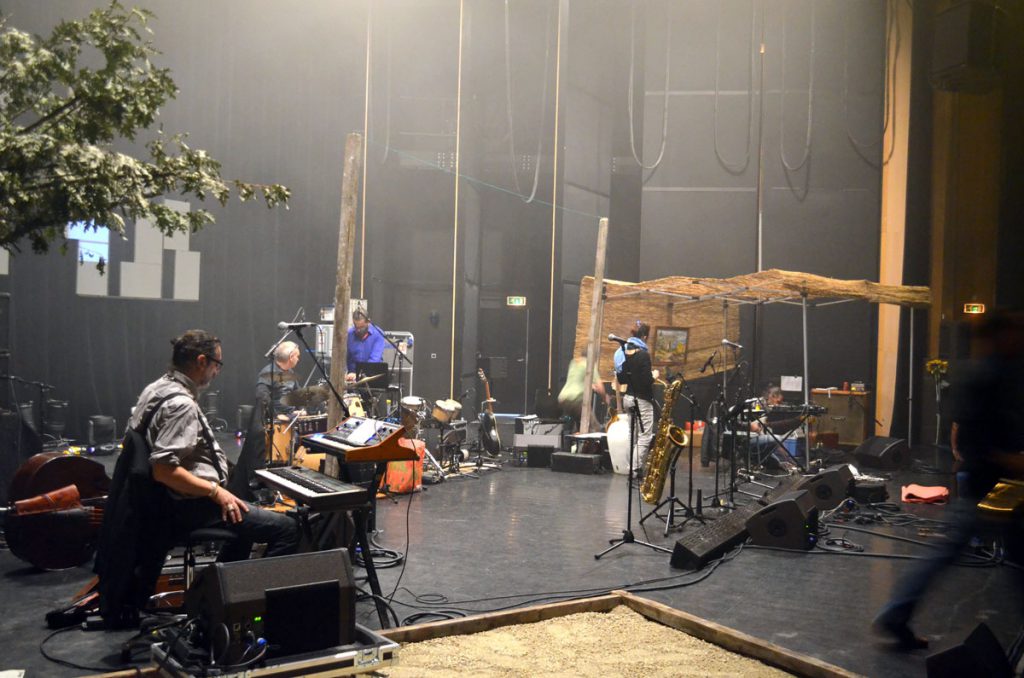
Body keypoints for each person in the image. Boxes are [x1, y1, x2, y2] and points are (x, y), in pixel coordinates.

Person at [873, 309, 1024, 649]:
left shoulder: (999, 372)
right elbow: (972, 436)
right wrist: (1009, 460)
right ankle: (895, 614)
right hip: (988, 485)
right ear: (999, 336)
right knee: (945, 554)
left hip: (999, 486)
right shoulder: (984, 376)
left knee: (976, 555)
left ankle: (895, 615)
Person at [132, 329, 299, 561]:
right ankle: (253, 593)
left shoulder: (156, 388)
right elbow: (164, 469)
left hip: (169, 502)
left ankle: (222, 590)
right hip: (191, 507)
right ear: (202, 361)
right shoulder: (181, 404)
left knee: (247, 523)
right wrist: (215, 491)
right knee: (288, 528)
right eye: (217, 364)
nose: (217, 372)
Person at [614, 322, 655, 476]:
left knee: (633, 434)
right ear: (644, 337)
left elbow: (623, 380)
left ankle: (630, 465)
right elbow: (645, 381)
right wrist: (653, 377)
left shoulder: (623, 353)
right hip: (642, 400)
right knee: (645, 435)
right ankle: (635, 468)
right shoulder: (643, 355)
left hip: (628, 398)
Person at [748, 384, 802, 472]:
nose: (778, 403)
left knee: (776, 455)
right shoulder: (759, 403)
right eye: (778, 401)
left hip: (759, 432)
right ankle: (789, 461)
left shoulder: (768, 404)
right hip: (750, 435)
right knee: (776, 439)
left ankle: (786, 461)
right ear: (773, 396)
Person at [557, 351, 609, 432]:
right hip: (576, 399)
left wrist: (592, 386)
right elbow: (600, 386)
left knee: (579, 424)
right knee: (594, 426)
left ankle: (575, 440)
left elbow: (577, 380)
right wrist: (605, 398)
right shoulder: (589, 364)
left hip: (563, 398)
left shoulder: (574, 362)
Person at [256, 340, 302, 418]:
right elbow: (262, 397)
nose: (298, 359)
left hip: (291, 415)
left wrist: (301, 410)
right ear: (291, 357)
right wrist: (276, 415)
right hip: (276, 419)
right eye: (297, 356)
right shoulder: (268, 373)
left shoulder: (290, 372)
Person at [345, 310, 386, 383]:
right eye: (356, 327)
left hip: (372, 377)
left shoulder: (378, 334)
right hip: (351, 379)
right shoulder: (349, 334)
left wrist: (358, 375)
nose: (358, 330)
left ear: (368, 322)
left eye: (361, 327)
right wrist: (344, 373)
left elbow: (374, 360)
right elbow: (344, 357)